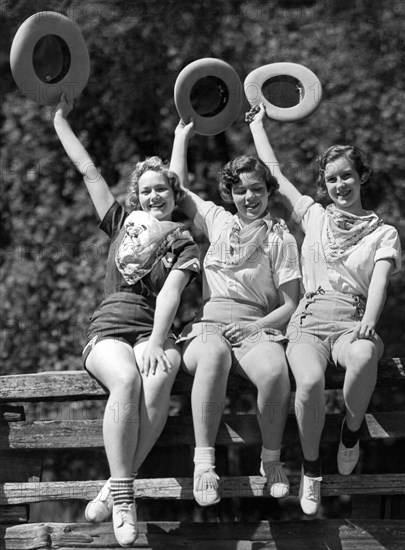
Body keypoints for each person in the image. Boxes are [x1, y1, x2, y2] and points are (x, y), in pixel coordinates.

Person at [52, 97, 200, 546]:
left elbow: (172, 292)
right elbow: (89, 171)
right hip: (110, 329)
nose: (155, 195)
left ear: (176, 197)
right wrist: (59, 119)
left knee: (158, 381)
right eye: (147, 190)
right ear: (137, 197)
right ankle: (125, 499)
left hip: (156, 329)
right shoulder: (121, 222)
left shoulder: (183, 241)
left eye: (164, 190)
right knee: (129, 383)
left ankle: (113, 486)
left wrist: (181, 138)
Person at [247, 103, 402, 516]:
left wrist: (369, 320)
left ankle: (351, 432)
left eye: (347, 175)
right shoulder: (314, 216)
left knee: (366, 353)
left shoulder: (383, 232)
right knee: (311, 383)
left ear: (361, 176)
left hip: (352, 317)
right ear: (324, 184)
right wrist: (258, 125)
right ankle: (312, 470)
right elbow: (275, 177)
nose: (340, 184)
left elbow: (381, 279)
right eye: (332, 179)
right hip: (309, 320)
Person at [170, 119, 301, 507]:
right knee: (212, 356)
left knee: (276, 371)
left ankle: (272, 460)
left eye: (257, 189)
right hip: (209, 323)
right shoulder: (217, 220)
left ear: (268, 192)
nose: (249, 196)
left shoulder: (281, 236)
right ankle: (204, 465)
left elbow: (290, 304)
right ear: (229, 193)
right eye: (240, 189)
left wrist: (255, 327)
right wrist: (181, 137)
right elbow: (176, 192)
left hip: (257, 322)